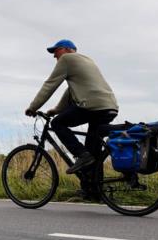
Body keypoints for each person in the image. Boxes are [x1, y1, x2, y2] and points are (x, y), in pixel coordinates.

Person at [25, 39, 118, 174]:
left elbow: (50, 85)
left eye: (56, 50)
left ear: (68, 49)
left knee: (57, 123)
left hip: (92, 107)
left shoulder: (67, 59)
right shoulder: (87, 60)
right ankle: (93, 190)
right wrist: (56, 110)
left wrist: (33, 107)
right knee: (93, 152)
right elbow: (70, 91)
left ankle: (82, 155)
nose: (54, 55)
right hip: (109, 107)